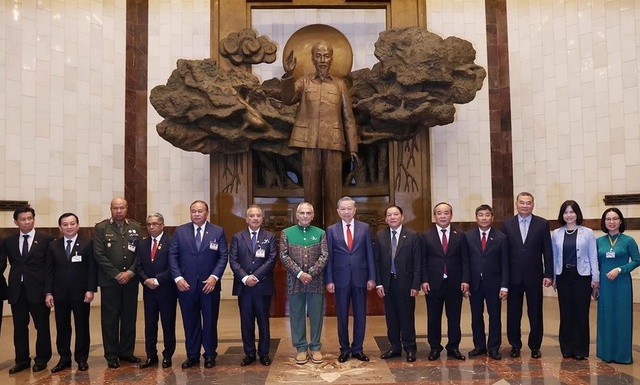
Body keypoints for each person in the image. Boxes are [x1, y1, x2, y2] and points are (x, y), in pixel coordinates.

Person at [281, 40, 358, 225]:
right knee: (311, 193)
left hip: (333, 143)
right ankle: (313, 235)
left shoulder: (339, 85)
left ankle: (333, 236)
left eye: (326, 55)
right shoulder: (304, 82)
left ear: (331, 59)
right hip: (309, 142)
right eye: (318, 55)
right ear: (313, 59)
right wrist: (289, 75)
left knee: (334, 193)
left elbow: (348, 118)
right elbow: (287, 98)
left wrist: (353, 147)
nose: (323, 60)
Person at [169, 200, 228, 369]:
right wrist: (178, 278)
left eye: (199, 211)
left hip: (209, 286)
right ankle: (192, 355)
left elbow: (223, 256)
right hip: (185, 286)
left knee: (210, 321)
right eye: (193, 211)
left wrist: (214, 277)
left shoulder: (217, 231)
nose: (196, 214)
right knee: (190, 321)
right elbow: (172, 256)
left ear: (206, 213)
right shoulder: (180, 232)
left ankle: (210, 354)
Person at [501, 192, 553, 359]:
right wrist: (504, 278)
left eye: (528, 203)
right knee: (513, 313)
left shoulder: (542, 224)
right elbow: (504, 253)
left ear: (533, 204)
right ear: (516, 204)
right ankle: (515, 345)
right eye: (522, 202)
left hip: (534, 275)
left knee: (535, 312)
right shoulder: (507, 224)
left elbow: (547, 250)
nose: (525, 205)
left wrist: (548, 273)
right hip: (513, 276)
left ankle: (535, 346)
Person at [45, 213, 97, 373]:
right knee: (62, 327)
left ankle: (81, 359)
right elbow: (49, 271)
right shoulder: (53, 245)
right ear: (60, 228)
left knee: (82, 326)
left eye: (72, 223)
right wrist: (48, 292)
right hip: (60, 294)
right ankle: (64, 359)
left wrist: (90, 289)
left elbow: (92, 269)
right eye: (65, 224)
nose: (69, 227)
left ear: (78, 225)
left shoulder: (87, 243)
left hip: (81, 294)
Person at [326, 196, 376, 363]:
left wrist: (371, 277)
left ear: (355, 210)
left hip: (360, 278)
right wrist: (329, 280)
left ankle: (357, 349)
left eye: (349, 208)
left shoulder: (365, 228)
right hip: (340, 279)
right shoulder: (331, 230)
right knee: (341, 316)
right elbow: (329, 257)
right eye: (343, 209)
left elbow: (369, 253)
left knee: (360, 315)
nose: (346, 211)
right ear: (338, 211)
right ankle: (344, 349)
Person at [93, 197, 141, 368]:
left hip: (130, 281)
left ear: (127, 209)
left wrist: (130, 272)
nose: (118, 211)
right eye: (115, 208)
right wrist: (116, 274)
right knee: (110, 320)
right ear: (110, 209)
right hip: (110, 282)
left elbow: (139, 254)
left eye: (122, 207)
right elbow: (99, 254)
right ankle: (112, 355)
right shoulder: (101, 228)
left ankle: (127, 352)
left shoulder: (135, 227)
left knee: (129, 317)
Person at [4, 207, 53, 374]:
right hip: (17, 291)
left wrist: (49, 291)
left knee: (42, 327)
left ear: (34, 219)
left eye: (30, 218)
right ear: (16, 222)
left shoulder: (46, 239)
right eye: (23, 219)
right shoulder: (8, 241)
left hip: (38, 291)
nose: (27, 222)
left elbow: (49, 268)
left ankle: (42, 359)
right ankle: (22, 360)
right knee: (19, 327)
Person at [280, 202, 329, 365]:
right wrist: (300, 274)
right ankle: (301, 348)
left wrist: (311, 273)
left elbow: (324, 256)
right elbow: (284, 256)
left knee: (316, 314)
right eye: (302, 213)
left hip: (316, 281)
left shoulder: (320, 233)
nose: (305, 216)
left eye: (308, 213)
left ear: (313, 215)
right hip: (294, 281)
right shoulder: (286, 233)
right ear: (297, 215)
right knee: (297, 314)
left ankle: (315, 347)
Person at [420, 202, 470, 361]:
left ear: (451, 215)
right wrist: (424, 279)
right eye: (439, 213)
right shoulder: (425, 235)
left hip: (454, 283)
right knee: (433, 317)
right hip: (433, 283)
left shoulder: (460, 235)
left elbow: (465, 260)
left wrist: (465, 280)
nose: (442, 216)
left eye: (446, 213)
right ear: (434, 216)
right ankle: (435, 347)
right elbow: (422, 261)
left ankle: (453, 347)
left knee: (454, 318)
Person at [229, 205, 277, 367]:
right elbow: (233, 260)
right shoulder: (237, 237)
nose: (255, 218)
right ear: (246, 218)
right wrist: (245, 277)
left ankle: (264, 353)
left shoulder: (270, 237)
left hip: (262, 286)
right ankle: (249, 353)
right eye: (252, 216)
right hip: (244, 287)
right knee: (246, 321)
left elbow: (271, 259)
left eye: (258, 215)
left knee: (263, 321)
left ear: (262, 218)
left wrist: (255, 276)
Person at [552, 200, 599, 360]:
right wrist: (553, 278)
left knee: (581, 313)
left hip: (582, 277)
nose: (569, 215)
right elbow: (554, 257)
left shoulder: (588, 232)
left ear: (577, 214)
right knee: (566, 314)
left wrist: (596, 278)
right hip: (563, 276)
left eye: (572, 212)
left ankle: (580, 349)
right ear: (562, 215)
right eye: (566, 212)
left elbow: (593, 256)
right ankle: (566, 348)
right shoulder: (556, 233)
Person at [373, 205, 420, 362]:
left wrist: (415, 285)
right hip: (387, 283)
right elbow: (376, 261)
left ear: (402, 217)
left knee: (406, 317)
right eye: (389, 215)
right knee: (391, 317)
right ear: (385, 219)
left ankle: (410, 348)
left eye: (396, 214)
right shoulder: (380, 236)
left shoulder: (412, 235)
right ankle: (394, 347)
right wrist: (378, 283)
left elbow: (417, 262)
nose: (392, 217)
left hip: (406, 284)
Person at [595, 208, 640, 364]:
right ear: (604, 222)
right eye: (608, 219)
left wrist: (620, 269)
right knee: (605, 317)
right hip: (604, 284)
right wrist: (595, 283)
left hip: (622, 284)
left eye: (615, 219)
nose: (612, 222)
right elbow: (595, 263)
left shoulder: (628, 240)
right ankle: (606, 353)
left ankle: (622, 355)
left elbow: (636, 260)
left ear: (621, 221)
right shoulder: (599, 241)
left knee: (622, 317)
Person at [466, 204, 509, 360]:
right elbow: (465, 261)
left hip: (494, 284)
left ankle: (493, 347)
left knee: (494, 316)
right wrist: (466, 282)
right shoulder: (468, 236)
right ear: (476, 217)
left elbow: (505, 263)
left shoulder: (501, 237)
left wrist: (504, 286)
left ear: (492, 217)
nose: (484, 218)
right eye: (480, 215)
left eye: (487, 215)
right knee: (476, 315)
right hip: (474, 284)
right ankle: (479, 346)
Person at [136, 213, 177, 369]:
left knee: (168, 324)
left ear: (162, 225)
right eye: (149, 224)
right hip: (149, 290)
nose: (151, 227)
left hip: (166, 290)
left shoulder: (171, 242)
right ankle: (151, 355)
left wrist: (158, 279)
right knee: (150, 324)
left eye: (155, 223)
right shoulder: (143, 244)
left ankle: (168, 355)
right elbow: (138, 266)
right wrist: (146, 280)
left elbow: (173, 266)